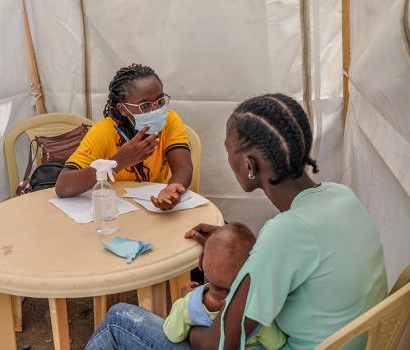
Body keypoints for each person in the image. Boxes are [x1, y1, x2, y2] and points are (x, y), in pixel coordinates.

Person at [85, 93, 387, 350]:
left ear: (249, 165)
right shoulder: (341, 196)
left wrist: (195, 308)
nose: (228, 159)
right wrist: (232, 248)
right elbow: (303, 256)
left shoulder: (286, 233)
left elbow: (216, 344)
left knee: (118, 320)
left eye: (229, 150)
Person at [55, 64, 193, 210]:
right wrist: (118, 162)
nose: (156, 110)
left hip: (152, 208)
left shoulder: (169, 120)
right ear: (123, 109)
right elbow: (63, 186)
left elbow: (183, 167)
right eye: (145, 106)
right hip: (114, 211)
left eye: (160, 101)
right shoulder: (103, 131)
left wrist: (173, 189)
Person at [164, 223, 285, 350]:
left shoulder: (189, 305)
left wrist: (184, 299)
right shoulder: (255, 311)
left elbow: (172, 335)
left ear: (200, 262)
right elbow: (277, 343)